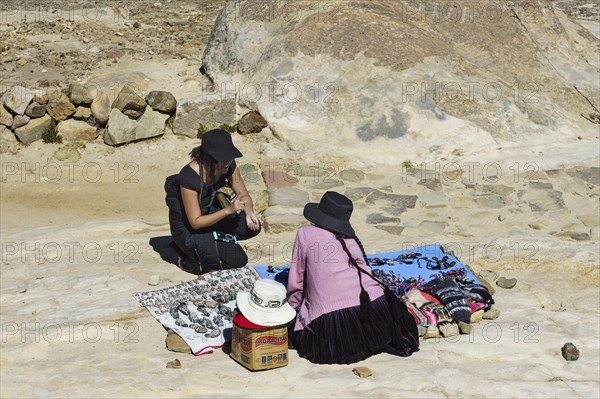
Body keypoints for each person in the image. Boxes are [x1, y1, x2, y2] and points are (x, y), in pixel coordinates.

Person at [286, 191, 420, 364]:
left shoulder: (306, 233)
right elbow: (365, 267)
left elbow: (297, 280)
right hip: (377, 307)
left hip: (332, 318)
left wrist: (291, 309)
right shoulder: (351, 237)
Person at [165, 128, 261, 274]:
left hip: (212, 215)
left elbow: (244, 195)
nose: (228, 163)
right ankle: (188, 255)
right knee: (238, 261)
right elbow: (195, 222)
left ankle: (219, 243)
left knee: (253, 226)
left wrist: (249, 212)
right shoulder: (189, 177)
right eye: (224, 159)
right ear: (210, 158)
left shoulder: (228, 165)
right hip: (190, 229)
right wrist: (228, 210)